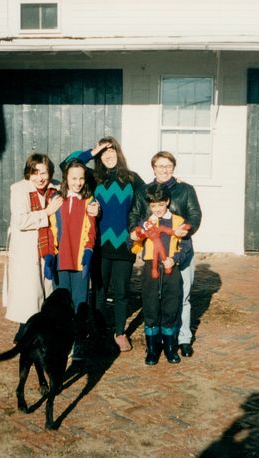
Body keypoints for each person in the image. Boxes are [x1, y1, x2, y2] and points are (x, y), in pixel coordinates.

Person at [62, 137, 145, 352]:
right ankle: (98, 333)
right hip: (99, 245)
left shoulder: (132, 178)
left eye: (112, 150)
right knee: (98, 291)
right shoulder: (92, 177)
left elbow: (150, 199)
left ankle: (119, 332)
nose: (108, 155)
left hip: (124, 245)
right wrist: (92, 151)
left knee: (121, 292)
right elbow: (67, 164)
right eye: (103, 152)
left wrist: (139, 230)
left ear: (119, 152)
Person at [129, 151, 202, 357]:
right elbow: (134, 215)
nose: (164, 169)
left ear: (174, 167)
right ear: (153, 168)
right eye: (160, 166)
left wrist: (186, 229)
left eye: (168, 165)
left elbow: (195, 214)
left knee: (182, 296)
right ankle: (157, 343)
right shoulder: (144, 191)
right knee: (154, 299)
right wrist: (136, 233)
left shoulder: (185, 189)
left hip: (178, 248)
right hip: (153, 253)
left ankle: (183, 338)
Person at [2, 153, 63, 343]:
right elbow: (20, 220)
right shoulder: (19, 189)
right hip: (27, 248)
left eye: (43, 173)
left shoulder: (55, 188)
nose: (40, 178)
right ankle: (25, 331)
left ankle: (40, 330)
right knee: (29, 293)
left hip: (48, 246)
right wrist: (46, 212)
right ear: (28, 173)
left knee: (47, 289)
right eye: (34, 173)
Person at [131, 184, 192, 365]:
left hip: (170, 268)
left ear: (167, 202)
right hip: (151, 268)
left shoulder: (178, 221)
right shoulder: (146, 222)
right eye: (153, 205)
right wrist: (133, 237)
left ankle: (170, 349)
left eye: (160, 204)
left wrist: (175, 259)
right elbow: (134, 243)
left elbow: (186, 247)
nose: (157, 209)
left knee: (171, 306)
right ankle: (151, 350)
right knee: (150, 307)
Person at [49, 159, 97, 358]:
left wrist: (88, 252)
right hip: (61, 261)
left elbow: (91, 231)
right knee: (61, 305)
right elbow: (50, 229)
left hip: (79, 263)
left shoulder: (89, 202)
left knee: (80, 303)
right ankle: (62, 342)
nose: (78, 182)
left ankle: (78, 342)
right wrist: (50, 255)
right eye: (73, 178)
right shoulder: (56, 200)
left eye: (81, 178)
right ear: (66, 179)